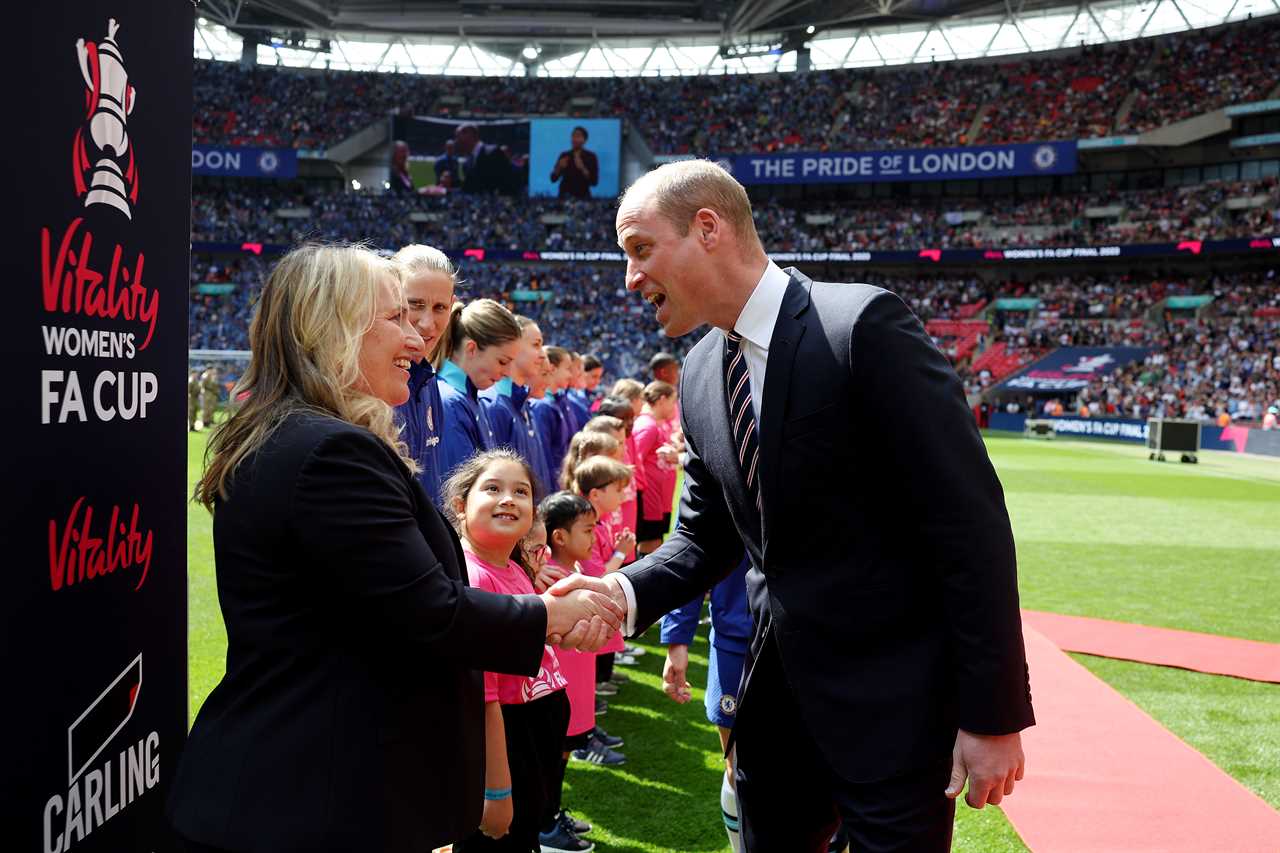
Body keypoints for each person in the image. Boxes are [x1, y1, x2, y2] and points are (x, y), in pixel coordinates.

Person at [576, 160, 1034, 852]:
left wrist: (993, 714)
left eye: (641, 250)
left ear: (708, 229)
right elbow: (705, 540)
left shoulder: (861, 327)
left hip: (894, 713)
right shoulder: (701, 373)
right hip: (774, 716)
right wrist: (616, 590)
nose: (630, 279)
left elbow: (969, 524)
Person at [168, 244, 622, 853]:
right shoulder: (330, 452)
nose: (420, 337)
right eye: (397, 317)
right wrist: (550, 615)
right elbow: (428, 611)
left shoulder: (302, 436)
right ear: (331, 329)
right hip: (308, 797)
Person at [446, 450, 573, 853]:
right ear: (460, 506)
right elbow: (485, 701)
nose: (508, 499)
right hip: (508, 749)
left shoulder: (512, 567)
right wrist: (497, 793)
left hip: (534, 745)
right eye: (493, 488)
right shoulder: (475, 580)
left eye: (521, 491)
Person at [660, 557, 752, 853]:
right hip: (736, 640)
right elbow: (691, 550)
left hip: (820, 640)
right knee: (740, 768)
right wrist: (677, 638)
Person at [392, 244, 454, 506]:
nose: (428, 323)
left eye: (440, 307)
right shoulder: (369, 382)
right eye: (415, 305)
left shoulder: (429, 382)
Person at [438, 299, 524, 478]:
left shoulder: (471, 397)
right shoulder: (449, 402)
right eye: (502, 361)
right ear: (471, 349)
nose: (508, 372)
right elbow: (459, 490)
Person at [482, 315, 556, 497]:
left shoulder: (523, 403)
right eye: (536, 344)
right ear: (513, 345)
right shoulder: (494, 405)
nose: (542, 355)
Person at [631, 381, 679, 556]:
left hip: (658, 499)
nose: (674, 407)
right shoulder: (647, 426)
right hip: (651, 499)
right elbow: (633, 461)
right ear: (662, 400)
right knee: (651, 543)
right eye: (673, 401)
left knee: (656, 542)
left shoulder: (653, 424)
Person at [455, 123, 523, 195]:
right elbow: (469, 187)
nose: (456, 141)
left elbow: (509, 181)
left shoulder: (492, 152)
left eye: (458, 136)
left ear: (470, 135)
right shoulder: (468, 160)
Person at [549, 125, 598, 200]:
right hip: (564, 196)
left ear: (584, 140)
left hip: (583, 197)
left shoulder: (591, 157)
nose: (574, 139)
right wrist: (559, 167)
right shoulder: (564, 155)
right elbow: (553, 179)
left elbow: (594, 182)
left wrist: (582, 168)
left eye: (578, 136)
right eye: (573, 136)